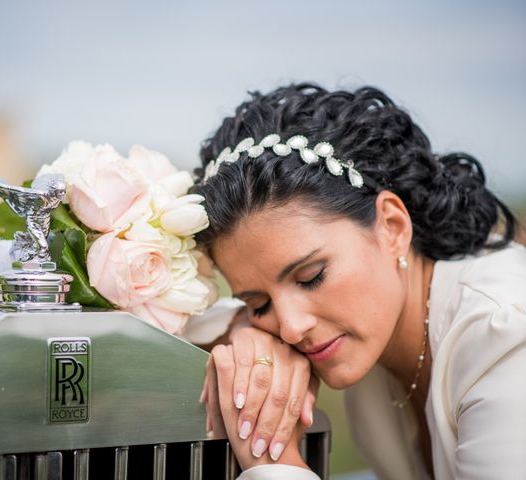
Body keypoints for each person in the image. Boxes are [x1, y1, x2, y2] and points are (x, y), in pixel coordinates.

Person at [185, 83, 526, 479]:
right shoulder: (383, 322)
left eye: (311, 277)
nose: (292, 328)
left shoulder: (507, 334)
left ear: (393, 226)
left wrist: (274, 464)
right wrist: (246, 334)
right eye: (259, 303)